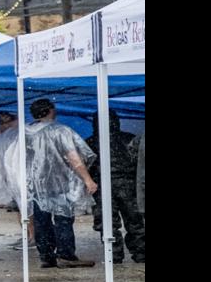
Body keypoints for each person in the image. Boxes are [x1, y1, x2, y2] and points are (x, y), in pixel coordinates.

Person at [26, 99, 99, 269]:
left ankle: (46, 256)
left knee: (41, 219)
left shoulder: (26, 132)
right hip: (59, 182)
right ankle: (66, 255)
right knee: (63, 218)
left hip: (35, 184)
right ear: (51, 110)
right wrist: (87, 179)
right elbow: (73, 157)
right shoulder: (60, 130)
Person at [85, 110, 145, 264]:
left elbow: (87, 166)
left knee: (107, 224)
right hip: (128, 186)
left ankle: (114, 255)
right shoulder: (129, 138)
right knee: (135, 222)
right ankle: (141, 254)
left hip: (102, 187)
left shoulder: (90, 142)